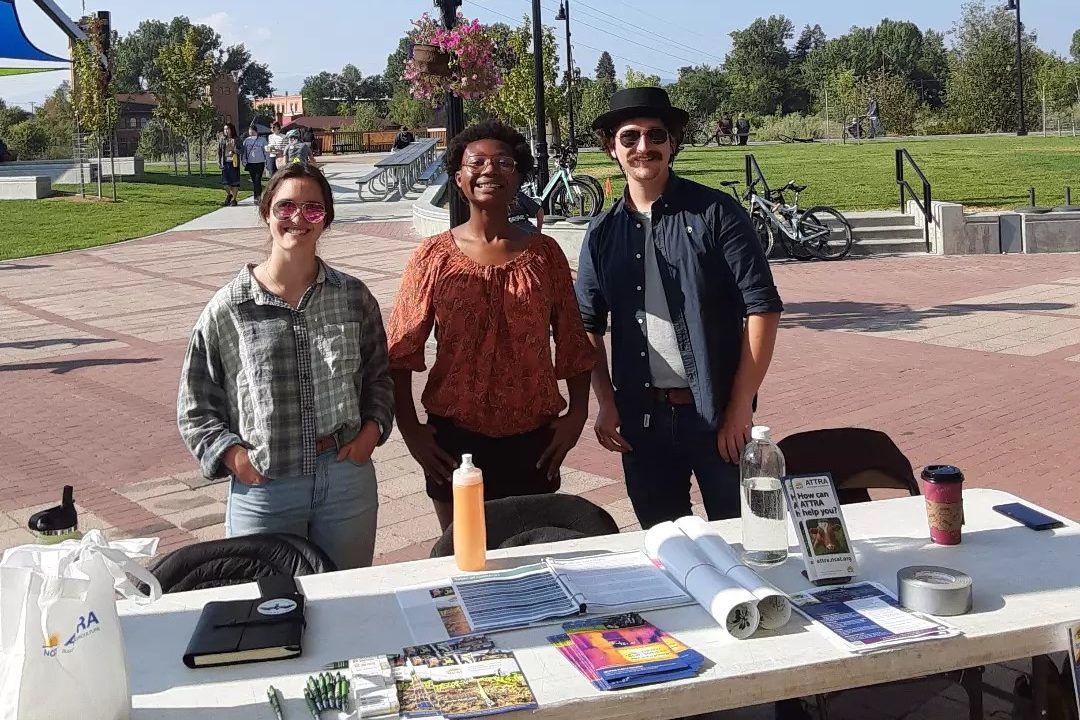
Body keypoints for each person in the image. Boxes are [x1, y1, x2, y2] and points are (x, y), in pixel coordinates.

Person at [575, 86, 783, 530]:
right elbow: (587, 324)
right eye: (629, 137)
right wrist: (606, 403)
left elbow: (762, 307)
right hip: (641, 421)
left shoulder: (716, 213)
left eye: (656, 135)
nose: (643, 147)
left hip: (716, 416)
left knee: (744, 535)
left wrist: (740, 406)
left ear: (673, 145)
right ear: (612, 147)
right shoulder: (602, 232)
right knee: (666, 546)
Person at [177, 163, 394, 570]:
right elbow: (196, 405)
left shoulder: (352, 296)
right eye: (286, 207)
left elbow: (378, 377)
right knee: (264, 608)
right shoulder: (230, 307)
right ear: (266, 214)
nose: (298, 218)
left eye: (313, 209)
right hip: (266, 484)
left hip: (344, 476)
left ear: (326, 219)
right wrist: (234, 458)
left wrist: (370, 432)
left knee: (346, 598)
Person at [386, 120, 595, 532]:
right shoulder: (433, 257)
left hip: (534, 438)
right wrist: (410, 429)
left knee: (530, 557)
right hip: (454, 441)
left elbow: (573, 340)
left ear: (519, 174)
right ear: (458, 176)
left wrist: (577, 416)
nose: (490, 171)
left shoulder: (545, 254)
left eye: (504, 162)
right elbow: (399, 350)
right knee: (463, 556)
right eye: (476, 162)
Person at [217, 122, 242, 206]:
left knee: (235, 182)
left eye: (227, 129)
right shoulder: (222, 139)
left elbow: (242, 150)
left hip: (234, 163)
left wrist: (234, 151)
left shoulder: (237, 139)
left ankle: (234, 199)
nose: (226, 131)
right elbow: (219, 151)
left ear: (231, 130)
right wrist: (219, 162)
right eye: (224, 129)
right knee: (225, 183)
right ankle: (229, 194)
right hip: (225, 163)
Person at [242, 125, 269, 201]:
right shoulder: (247, 140)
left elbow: (266, 151)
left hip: (260, 162)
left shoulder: (262, 140)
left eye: (252, 131)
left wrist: (267, 160)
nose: (251, 132)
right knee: (254, 181)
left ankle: (258, 197)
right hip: (250, 163)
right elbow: (244, 152)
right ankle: (257, 195)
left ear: (256, 131)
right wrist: (243, 160)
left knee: (258, 180)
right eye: (249, 131)